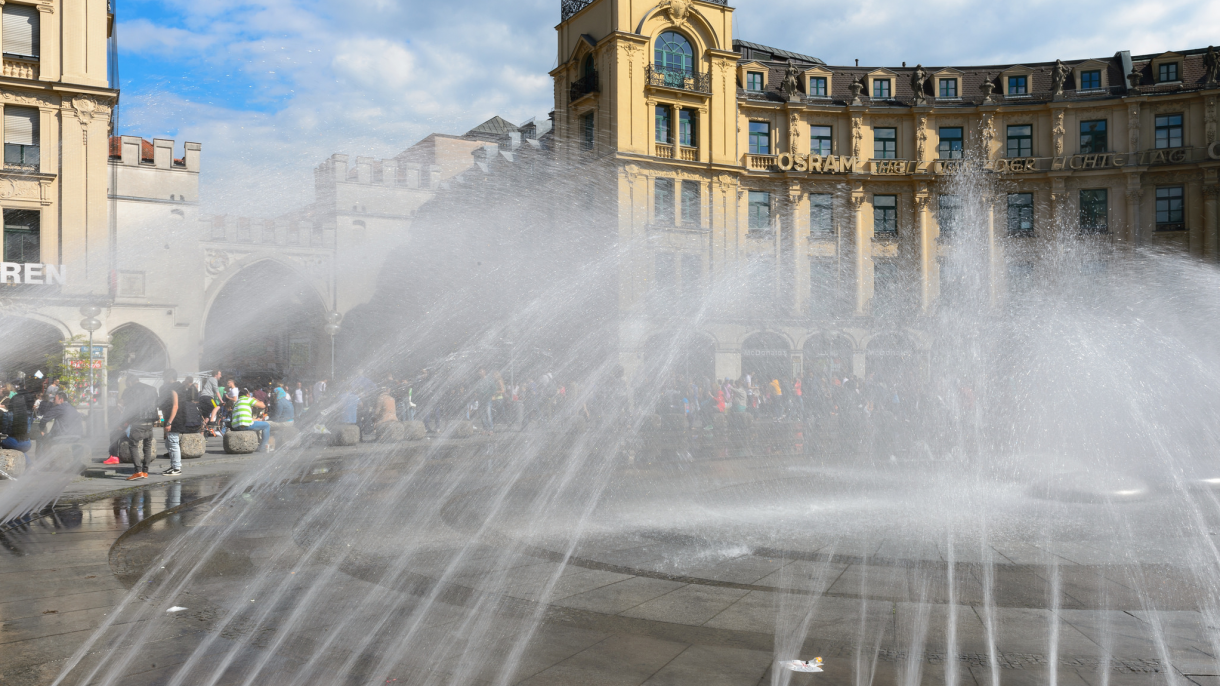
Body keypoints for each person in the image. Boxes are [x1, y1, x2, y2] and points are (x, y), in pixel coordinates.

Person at [121, 374, 160, 480]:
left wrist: (123, 422)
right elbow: (156, 404)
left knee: (133, 445)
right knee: (147, 446)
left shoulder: (130, 390)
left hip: (137, 423)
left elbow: (127, 407)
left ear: (129, 382)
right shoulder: (151, 389)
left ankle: (138, 471)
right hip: (149, 423)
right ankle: (145, 471)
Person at [159, 370, 184, 476]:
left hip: (175, 419)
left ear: (169, 378)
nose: (163, 379)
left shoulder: (174, 388)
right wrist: (164, 422)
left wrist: (169, 422)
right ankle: (174, 466)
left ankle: (177, 468)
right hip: (173, 419)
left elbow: (175, 405)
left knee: (173, 443)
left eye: (164, 377)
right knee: (169, 443)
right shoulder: (177, 387)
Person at [231, 388, 270, 452]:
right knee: (267, 425)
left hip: (236, 426)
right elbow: (263, 406)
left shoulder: (236, 403)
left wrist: (256, 419)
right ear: (247, 395)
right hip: (246, 426)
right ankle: (263, 447)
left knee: (256, 422)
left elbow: (243, 418)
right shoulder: (248, 399)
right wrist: (255, 400)